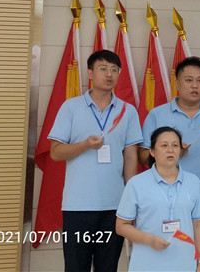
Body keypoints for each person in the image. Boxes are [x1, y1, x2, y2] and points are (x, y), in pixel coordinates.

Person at [49, 49, 142, 272]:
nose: (109, 74)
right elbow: (55, 152)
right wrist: (85, 145)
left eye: (114, 70)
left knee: (108, 267)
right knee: (76, 267)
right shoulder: (70, 107)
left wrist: (131, 198)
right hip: (77, 207)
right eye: (103, 69)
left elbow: (131, 156)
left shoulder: (127, 111)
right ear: (90, 73)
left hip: (115, 207)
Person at [139, 56, 200, 256]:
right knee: (165, 257)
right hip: (163, 200)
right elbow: (143, 156)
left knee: (199, 257)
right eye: (189, 80)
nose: (195, 85)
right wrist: (172, 152)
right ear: (177, 83)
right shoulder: (157, 114)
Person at [116, 127, 200, 271]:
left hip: (184, 264)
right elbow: (121, 226)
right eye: (164, 145)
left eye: (175, 145)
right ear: (152, 151)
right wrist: (149, 240)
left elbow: (198, 225)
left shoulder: (194, 182)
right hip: (146, 264)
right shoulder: (136, 184)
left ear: (181, 150)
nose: (170, 150)